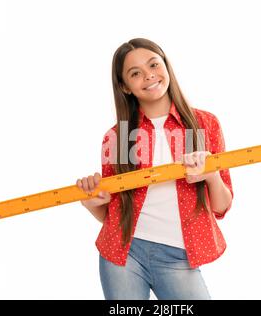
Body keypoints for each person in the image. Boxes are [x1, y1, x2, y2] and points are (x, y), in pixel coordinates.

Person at [76, 38, 234, 300]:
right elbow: (112, 215)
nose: (149, 76)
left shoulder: (205, 125)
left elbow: (221, 206)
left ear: (166, 66)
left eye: (153, 64)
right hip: (123, 255)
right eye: (135, 73)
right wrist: (93, 203)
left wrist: (211, 175)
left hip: (179, 257)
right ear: (125, 87)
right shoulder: (117, 137)